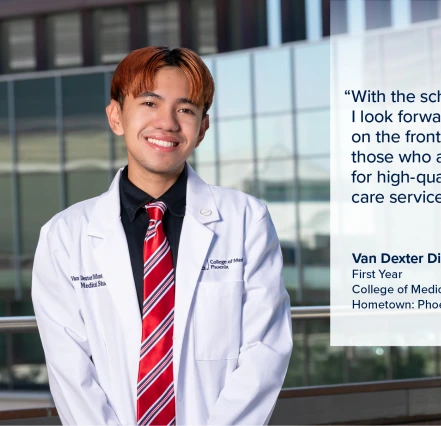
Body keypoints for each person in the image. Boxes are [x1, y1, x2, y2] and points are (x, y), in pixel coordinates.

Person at [31, 46, 293, 425]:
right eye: (150, 103)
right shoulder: (64, 236)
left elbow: (264, 350)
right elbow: (69, 369)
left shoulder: (246, 220)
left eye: (185, 109)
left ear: (202, 128)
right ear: (116, 116)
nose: (167, 123)